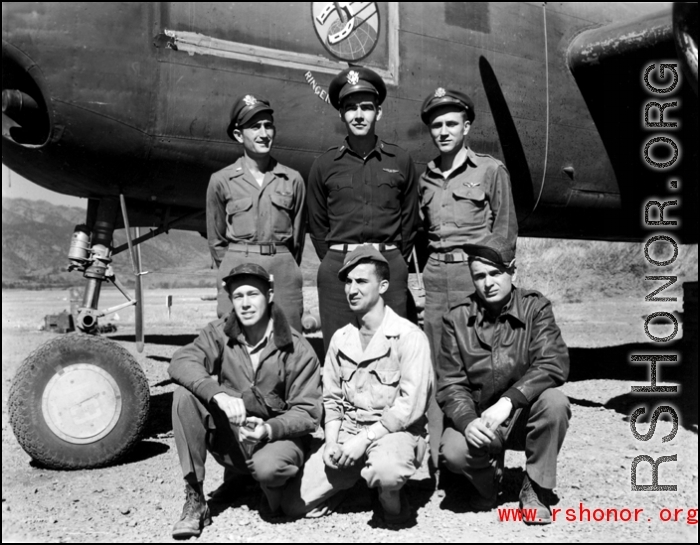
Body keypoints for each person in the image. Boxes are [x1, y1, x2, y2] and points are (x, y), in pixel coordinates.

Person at [168, 263, 322, 539]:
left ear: (270, 294)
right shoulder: (218, 333)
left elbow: (308, 412)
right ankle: (196, 499)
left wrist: (268, 429)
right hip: (234, 439)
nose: (246, 303)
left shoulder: (297, 347)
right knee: (185, 394)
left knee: (270, 476)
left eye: (253, 294)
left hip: (275, 440)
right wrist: (217, 394)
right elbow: (182, 361)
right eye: (238, 296)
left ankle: (265, 485)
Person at [283, 245, 433, 524]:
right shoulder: (341, 339)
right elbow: (332, 398)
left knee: (387, 472)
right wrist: (331, 442)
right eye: (348, 282)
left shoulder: (409, 337)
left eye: (361, 281)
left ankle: (389, 494)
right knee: (293, 505)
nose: (352, 289)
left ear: (383, 285)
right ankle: (357, 486)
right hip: (349, 432)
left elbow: (408, 409)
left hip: (394, 434)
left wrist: (363, 441)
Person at [437, 234, 570, 524]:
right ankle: (488, 480)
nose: (488, 283)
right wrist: (467, 421)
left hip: (521, 415)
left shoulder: (536, 308)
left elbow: (554, 362)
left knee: (555, 403)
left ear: (513, 272)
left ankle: (535, 488)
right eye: (479, 276)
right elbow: (450, 383)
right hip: (481, 418)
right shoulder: (456, 319)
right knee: (454, 451)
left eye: (496, 273)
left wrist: (510, 401)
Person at [418, 88, 518, 469]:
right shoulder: (425, 177)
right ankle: (437, 462)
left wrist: (494, 282)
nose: (443, 131)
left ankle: (487, 456)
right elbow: (417, 234)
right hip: (435, 276)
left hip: (474, 276)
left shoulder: (490, 171)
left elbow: (505, 232)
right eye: (436, 125)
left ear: (466, 126)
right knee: (435, 364)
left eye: (450, 124)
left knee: (480, 362)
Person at [306, 67, 420, 351]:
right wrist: (336, 258)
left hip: (388, 267)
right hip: (338, 269)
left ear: (378, 112)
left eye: (366, 108)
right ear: (341, 114)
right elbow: (317, 225)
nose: (359, 115)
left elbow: (409, 220)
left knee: (391, 352)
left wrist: (394, 259)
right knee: (340, 351)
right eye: (351, 108)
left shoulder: (401, 161)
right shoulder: (324, 165)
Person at [207, 94, 306, 331]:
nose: (264, 133)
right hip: (237, 269)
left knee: (288, 339)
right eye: (255, 127)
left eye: (268, 126)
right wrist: (236, 262)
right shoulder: (221, 180)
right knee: (234, 341)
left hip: (282, 271)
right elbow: (216, 239)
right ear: (239, 135)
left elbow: (298, 240)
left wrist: (280, 262)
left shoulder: (293, 180)